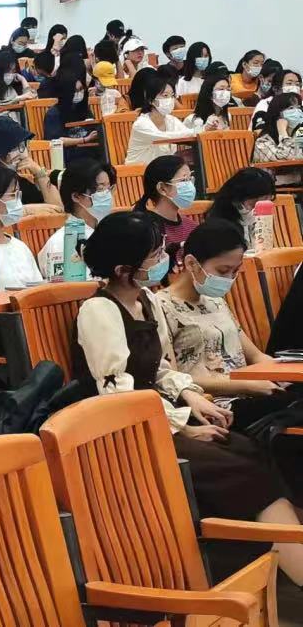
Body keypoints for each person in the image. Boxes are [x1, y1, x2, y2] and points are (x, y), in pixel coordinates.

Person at [75, 212, 303, 563]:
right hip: (126, 430)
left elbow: (161, 368)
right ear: (123, 269)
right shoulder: (99, 311)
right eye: (154, 255)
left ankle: (273, 557)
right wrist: (182, 427)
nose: (163, 260)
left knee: (249, 448)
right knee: (237, 467)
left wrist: (190, 396)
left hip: (157, 414)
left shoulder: (145, 300)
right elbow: (118, 395)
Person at [158, 220, 303, 493]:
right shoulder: (162, 307)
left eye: (235, 271)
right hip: (215, 404)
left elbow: (256, 356)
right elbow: (176, 379)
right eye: (223, 271)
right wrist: (247, 385)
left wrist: (288, 372)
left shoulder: (216, 301)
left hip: (252, 391)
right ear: (191, 263)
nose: (229, 279)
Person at [36, 159, 115, 280]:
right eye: (100, 189)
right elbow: (64, 288)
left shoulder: (112, 232)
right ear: (76, 196)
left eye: (109, 188)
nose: (107, 195)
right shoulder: (61, 243)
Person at [0, 116, 62, 212]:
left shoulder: (21, 182)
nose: (23, 154)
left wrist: (40, 173)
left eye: (23, 145)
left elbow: (58, 209)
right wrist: (27, 210)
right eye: (16, 147)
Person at [133, 154, 197, 276]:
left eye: (190, 179)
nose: (190, 186)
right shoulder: (147, 230)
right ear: (162, 188)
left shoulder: (192, 226)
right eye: (184, 180)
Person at [124, 70, 189, 165]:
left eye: (172, 96)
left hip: (163, 169)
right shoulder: (141, 124)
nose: (170, 100)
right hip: (139, 172)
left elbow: (188, 135)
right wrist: (195, 131)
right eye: (165, 95)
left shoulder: (171, 120)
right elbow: (164, 137)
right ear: (151, 100)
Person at [42, 57, 99, 160]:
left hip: (89, 155)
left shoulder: (84, 108)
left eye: (81, 89)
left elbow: (93, 130)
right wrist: (84, 140)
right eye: (75, 91)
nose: (78, 93)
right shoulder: (54, 114)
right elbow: (56, 142)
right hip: (68, 158)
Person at [207, 167, 275, 250]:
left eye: (267, 200)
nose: (255, 210)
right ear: (237, 198)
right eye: (252, 204)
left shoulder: (260, 220)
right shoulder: (221, 226)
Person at [252, 92, 303, 187]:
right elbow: (289, 157)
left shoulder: (299, 132)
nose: (297, 112)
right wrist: (282, 132)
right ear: (278, 114)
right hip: (272, 187)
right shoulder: (263, 140)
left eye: (299, 108)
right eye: (291, 108)